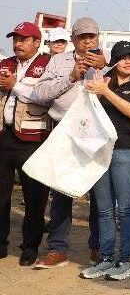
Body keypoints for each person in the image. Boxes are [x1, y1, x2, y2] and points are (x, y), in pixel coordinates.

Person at [31, 16, 107, 269]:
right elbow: (40, 94)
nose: (87, 41)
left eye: (92, 37)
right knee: (61, 192)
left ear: (98, 38)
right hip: (64, 131)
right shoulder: (58, 60)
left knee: (99, 196)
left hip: (96, 135)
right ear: (73, 39)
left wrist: (107, 68)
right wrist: (71, 77)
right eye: (82, 37)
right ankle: (57, 248)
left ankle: (99, 248)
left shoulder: (108, 62)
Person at [80, 41, 130, 281]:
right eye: (123, 56)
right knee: (104, 209)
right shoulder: (103, 80)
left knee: (126, 209)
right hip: (100, 150)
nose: (128, 61)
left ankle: (125, 260)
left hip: (126, 151)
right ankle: (106, 258)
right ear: (115, 60)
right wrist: (98, 87)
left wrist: (105, 91)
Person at [0, 21, 51, 266]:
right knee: (1, 197)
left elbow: (46, 97)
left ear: (36, 42)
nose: (18, 43)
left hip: (33, 139)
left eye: (23, 39)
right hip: (4, 136)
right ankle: (0, 245)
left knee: (34, 198)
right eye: (15, 39)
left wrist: (15, 86)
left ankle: (30, 247)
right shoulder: (5, 63)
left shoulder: (47, 65)